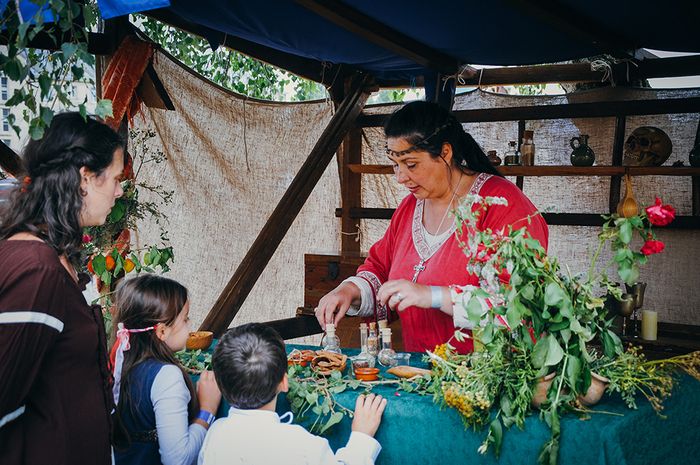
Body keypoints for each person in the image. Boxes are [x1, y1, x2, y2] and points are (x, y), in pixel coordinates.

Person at [315, 101, 549, 353]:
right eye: (395, 164)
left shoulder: (504, 205)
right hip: (423, 373)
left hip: (490, 379)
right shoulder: (409, 209)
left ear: (445, 153)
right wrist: (348, 290)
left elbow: (519, 302)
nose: (400, 177)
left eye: (411, 164)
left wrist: (433, 295)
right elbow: (381, 269)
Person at [0, 113, 124, 465]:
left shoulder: (57, 259)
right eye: (115, 178)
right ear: (85, 178)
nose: (119, 190)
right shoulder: (37, 270)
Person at [199, 323, 387, 465]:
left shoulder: (214, 435)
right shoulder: (303, 446)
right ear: (284, 381)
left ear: (220, 386)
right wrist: (361, 438)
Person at [112, 274, 222, 465]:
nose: (190, 327)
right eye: (185, 320)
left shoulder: (121, 361)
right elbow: (178, 459)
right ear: (162, 331)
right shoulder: (167, 376)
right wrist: (207, 410)